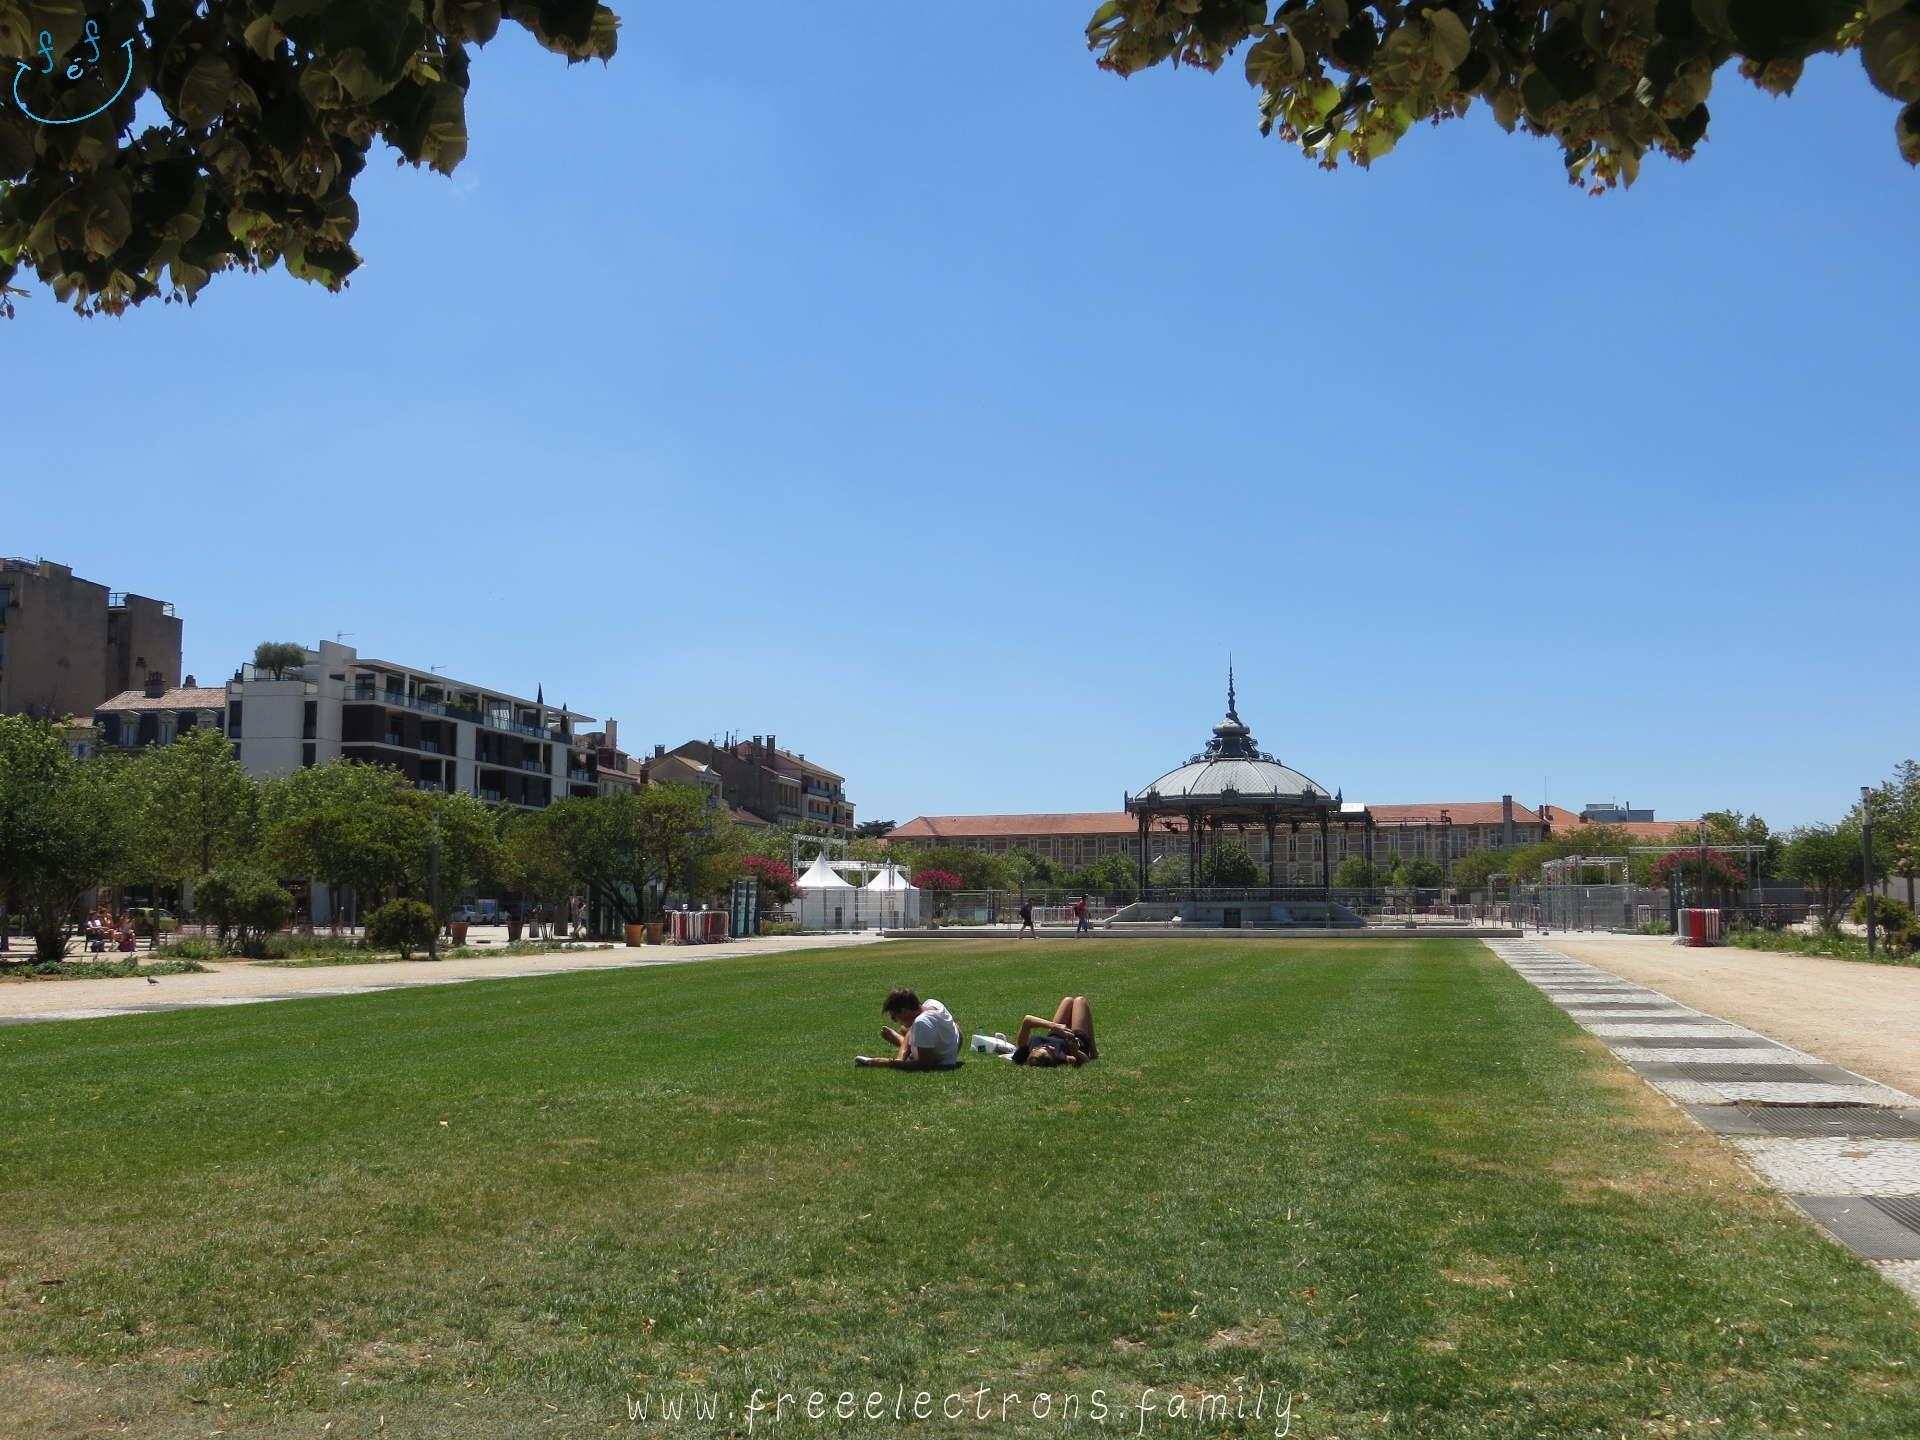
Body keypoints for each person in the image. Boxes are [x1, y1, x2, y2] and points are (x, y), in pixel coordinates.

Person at [857, 988, 963, 1069]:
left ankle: (901, 1042)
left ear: (904, 1012)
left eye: (894, 1017)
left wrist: (888, 1063)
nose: (895, 1021)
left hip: (939, 1059)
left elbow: (924, 1064)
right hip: (952, 1045)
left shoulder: (921, 1023)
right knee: (906, 1028)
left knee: (909, 1029)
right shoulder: (934, 1004)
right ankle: (904, 1045)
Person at [1011, 996, 1098, 1067]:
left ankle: (1094, 1051)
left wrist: (1055, 1027)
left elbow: (1027, 1020)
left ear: (1034, 1049)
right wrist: (1075, 1051)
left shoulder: (1022, 1055)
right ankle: (1094, 1051)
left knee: (1068, 1000)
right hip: (1075, 1040)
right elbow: (1085, 1060)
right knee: (1080, 1000)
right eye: (1053, 1053)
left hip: (1055, 1033)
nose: (1053, 1048)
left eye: (1048, 1048)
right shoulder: (1060, 1058)